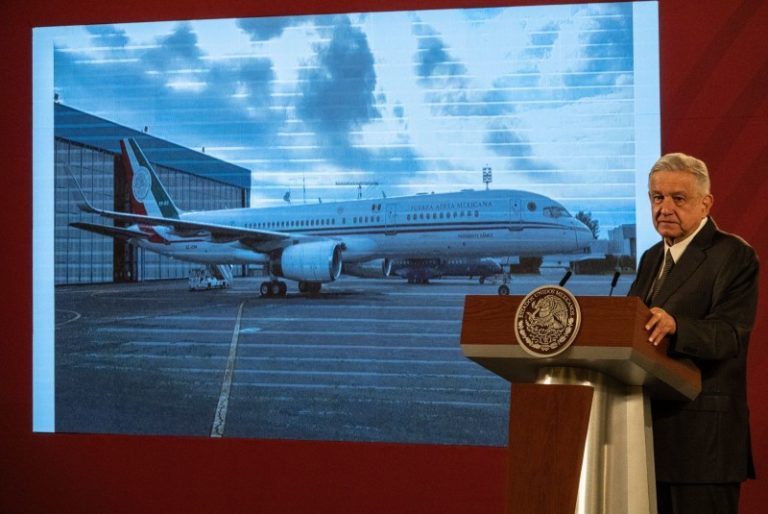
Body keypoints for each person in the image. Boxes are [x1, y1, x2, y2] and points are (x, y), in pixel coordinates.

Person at [628, 153, 759, 514]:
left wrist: (677, 326)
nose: (665, 208)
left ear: (706, 204)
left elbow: (730, 335)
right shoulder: (652, 257)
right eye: (657, 197)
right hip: (647, 440)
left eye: (678, 198)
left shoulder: (734, 255)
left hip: (704, 445)